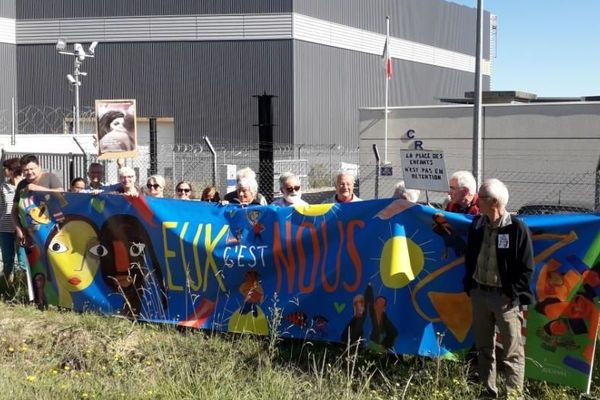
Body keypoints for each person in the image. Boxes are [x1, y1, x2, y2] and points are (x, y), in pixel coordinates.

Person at [463, 178, 533, 400]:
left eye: (480, 198)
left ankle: (513, 395)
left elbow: (526, 266)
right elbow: (469, 256)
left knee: (512, 353)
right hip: (479, 294)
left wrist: (511, 294)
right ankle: (488, 392)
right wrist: (471, 286)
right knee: (484, 348)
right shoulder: (477, 225)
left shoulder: (516, 228)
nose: (477, 201)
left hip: (504, 299)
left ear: (494, 202)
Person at [12, 154, 64, 247]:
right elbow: (14, 211)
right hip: (30, 235)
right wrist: (19, 230)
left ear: (39, 166)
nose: (29, 172)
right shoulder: (22, 184)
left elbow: (61, 193)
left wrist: (38, 188)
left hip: (52, 232)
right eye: (26, 170)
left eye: (32, 169)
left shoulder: (49, 177)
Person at [0, 158, 26, 284]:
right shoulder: (3, 187)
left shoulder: (26, 185)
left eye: (6, 168)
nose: (3, 170)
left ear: (12, 170)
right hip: (5, 228)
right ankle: (9, 287)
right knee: (7, 261)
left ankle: (25, 287)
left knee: (23, 260)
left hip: (23, 228)